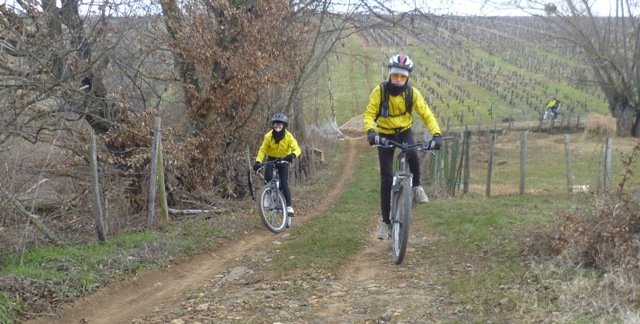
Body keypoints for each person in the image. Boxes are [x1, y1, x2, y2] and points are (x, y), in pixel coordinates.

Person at [363, 53, 443, 240]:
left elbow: (426, 114)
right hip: (384, 133)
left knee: (414, 154)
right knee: (386, 178)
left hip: (404, 131)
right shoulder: (380, 92)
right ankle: (385, 223)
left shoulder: (412, 93)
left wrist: (437, 134)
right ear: (390, 74)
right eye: (395, 76)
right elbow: (369, 114)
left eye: (402, 77)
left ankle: (416, 187)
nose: (398, 80)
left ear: (407, 77)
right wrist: (371, 132)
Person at [253, 113, 302, 215]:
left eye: (280, 126)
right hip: (271, 159)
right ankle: (267, 197)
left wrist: (292, 155)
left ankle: (289, 206)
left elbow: (297, 149)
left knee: (284, 183)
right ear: (273, 125)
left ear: (284, 126)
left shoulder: (289, 137)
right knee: (268, 178)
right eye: (276, 126)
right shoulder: (268, 136)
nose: (278, 128)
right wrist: (258, 161)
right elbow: (262, 150)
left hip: (284, 160)